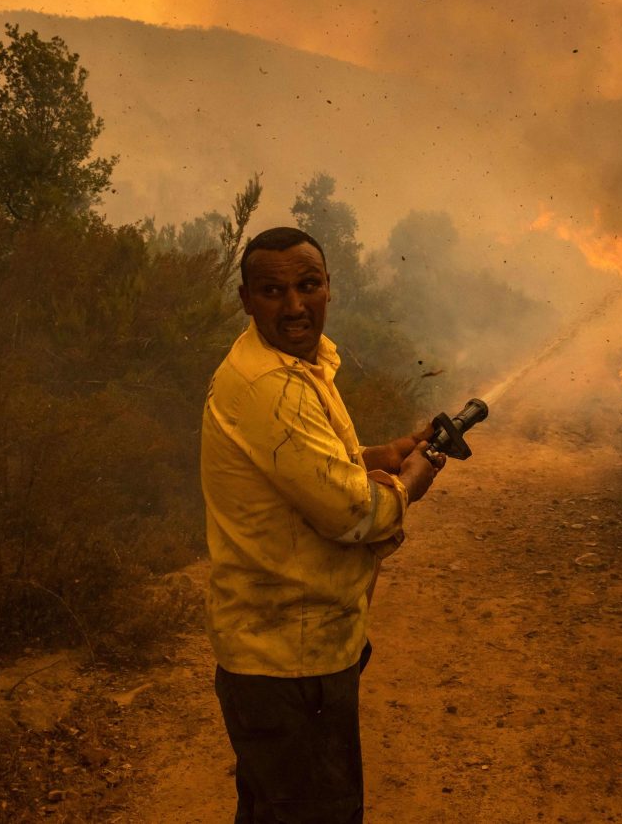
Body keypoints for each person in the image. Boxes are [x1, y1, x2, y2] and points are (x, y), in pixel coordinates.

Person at [200, 225, 446, 822]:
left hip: (290, 652)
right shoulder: (271, 386)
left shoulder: (297, 366)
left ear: (329, 287)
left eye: (307, 285)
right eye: (272, 291)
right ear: (246, 300)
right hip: (288, 660)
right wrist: (413, 477)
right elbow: (351, 512)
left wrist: (380, 455)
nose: (293, 306)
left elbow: (310, 471)